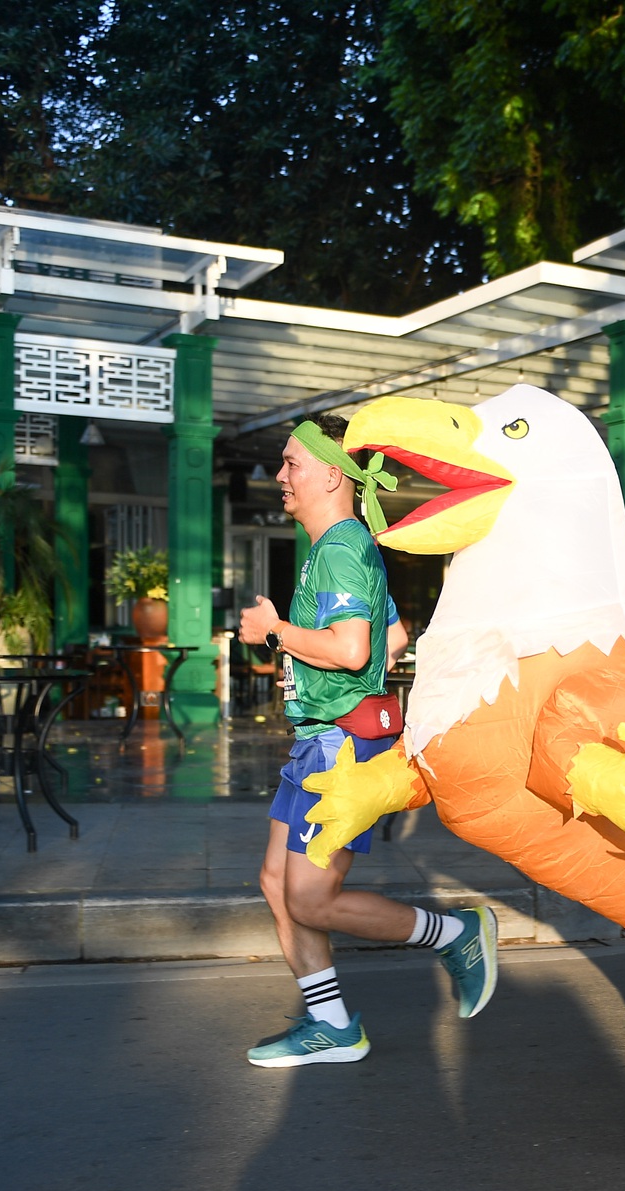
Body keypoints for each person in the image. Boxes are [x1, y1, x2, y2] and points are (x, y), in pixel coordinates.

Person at [236, 412, 496, 1067]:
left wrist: (274, 632)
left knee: (309, 896)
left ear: (331, 473)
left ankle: (452, 932)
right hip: (322, 740)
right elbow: (392, 635)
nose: (280, 475)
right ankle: (331, 1024)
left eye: (292, 462)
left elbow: (353, 650)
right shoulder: (341, 548)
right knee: (276, 881)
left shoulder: (343, 547)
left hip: (340, 747)